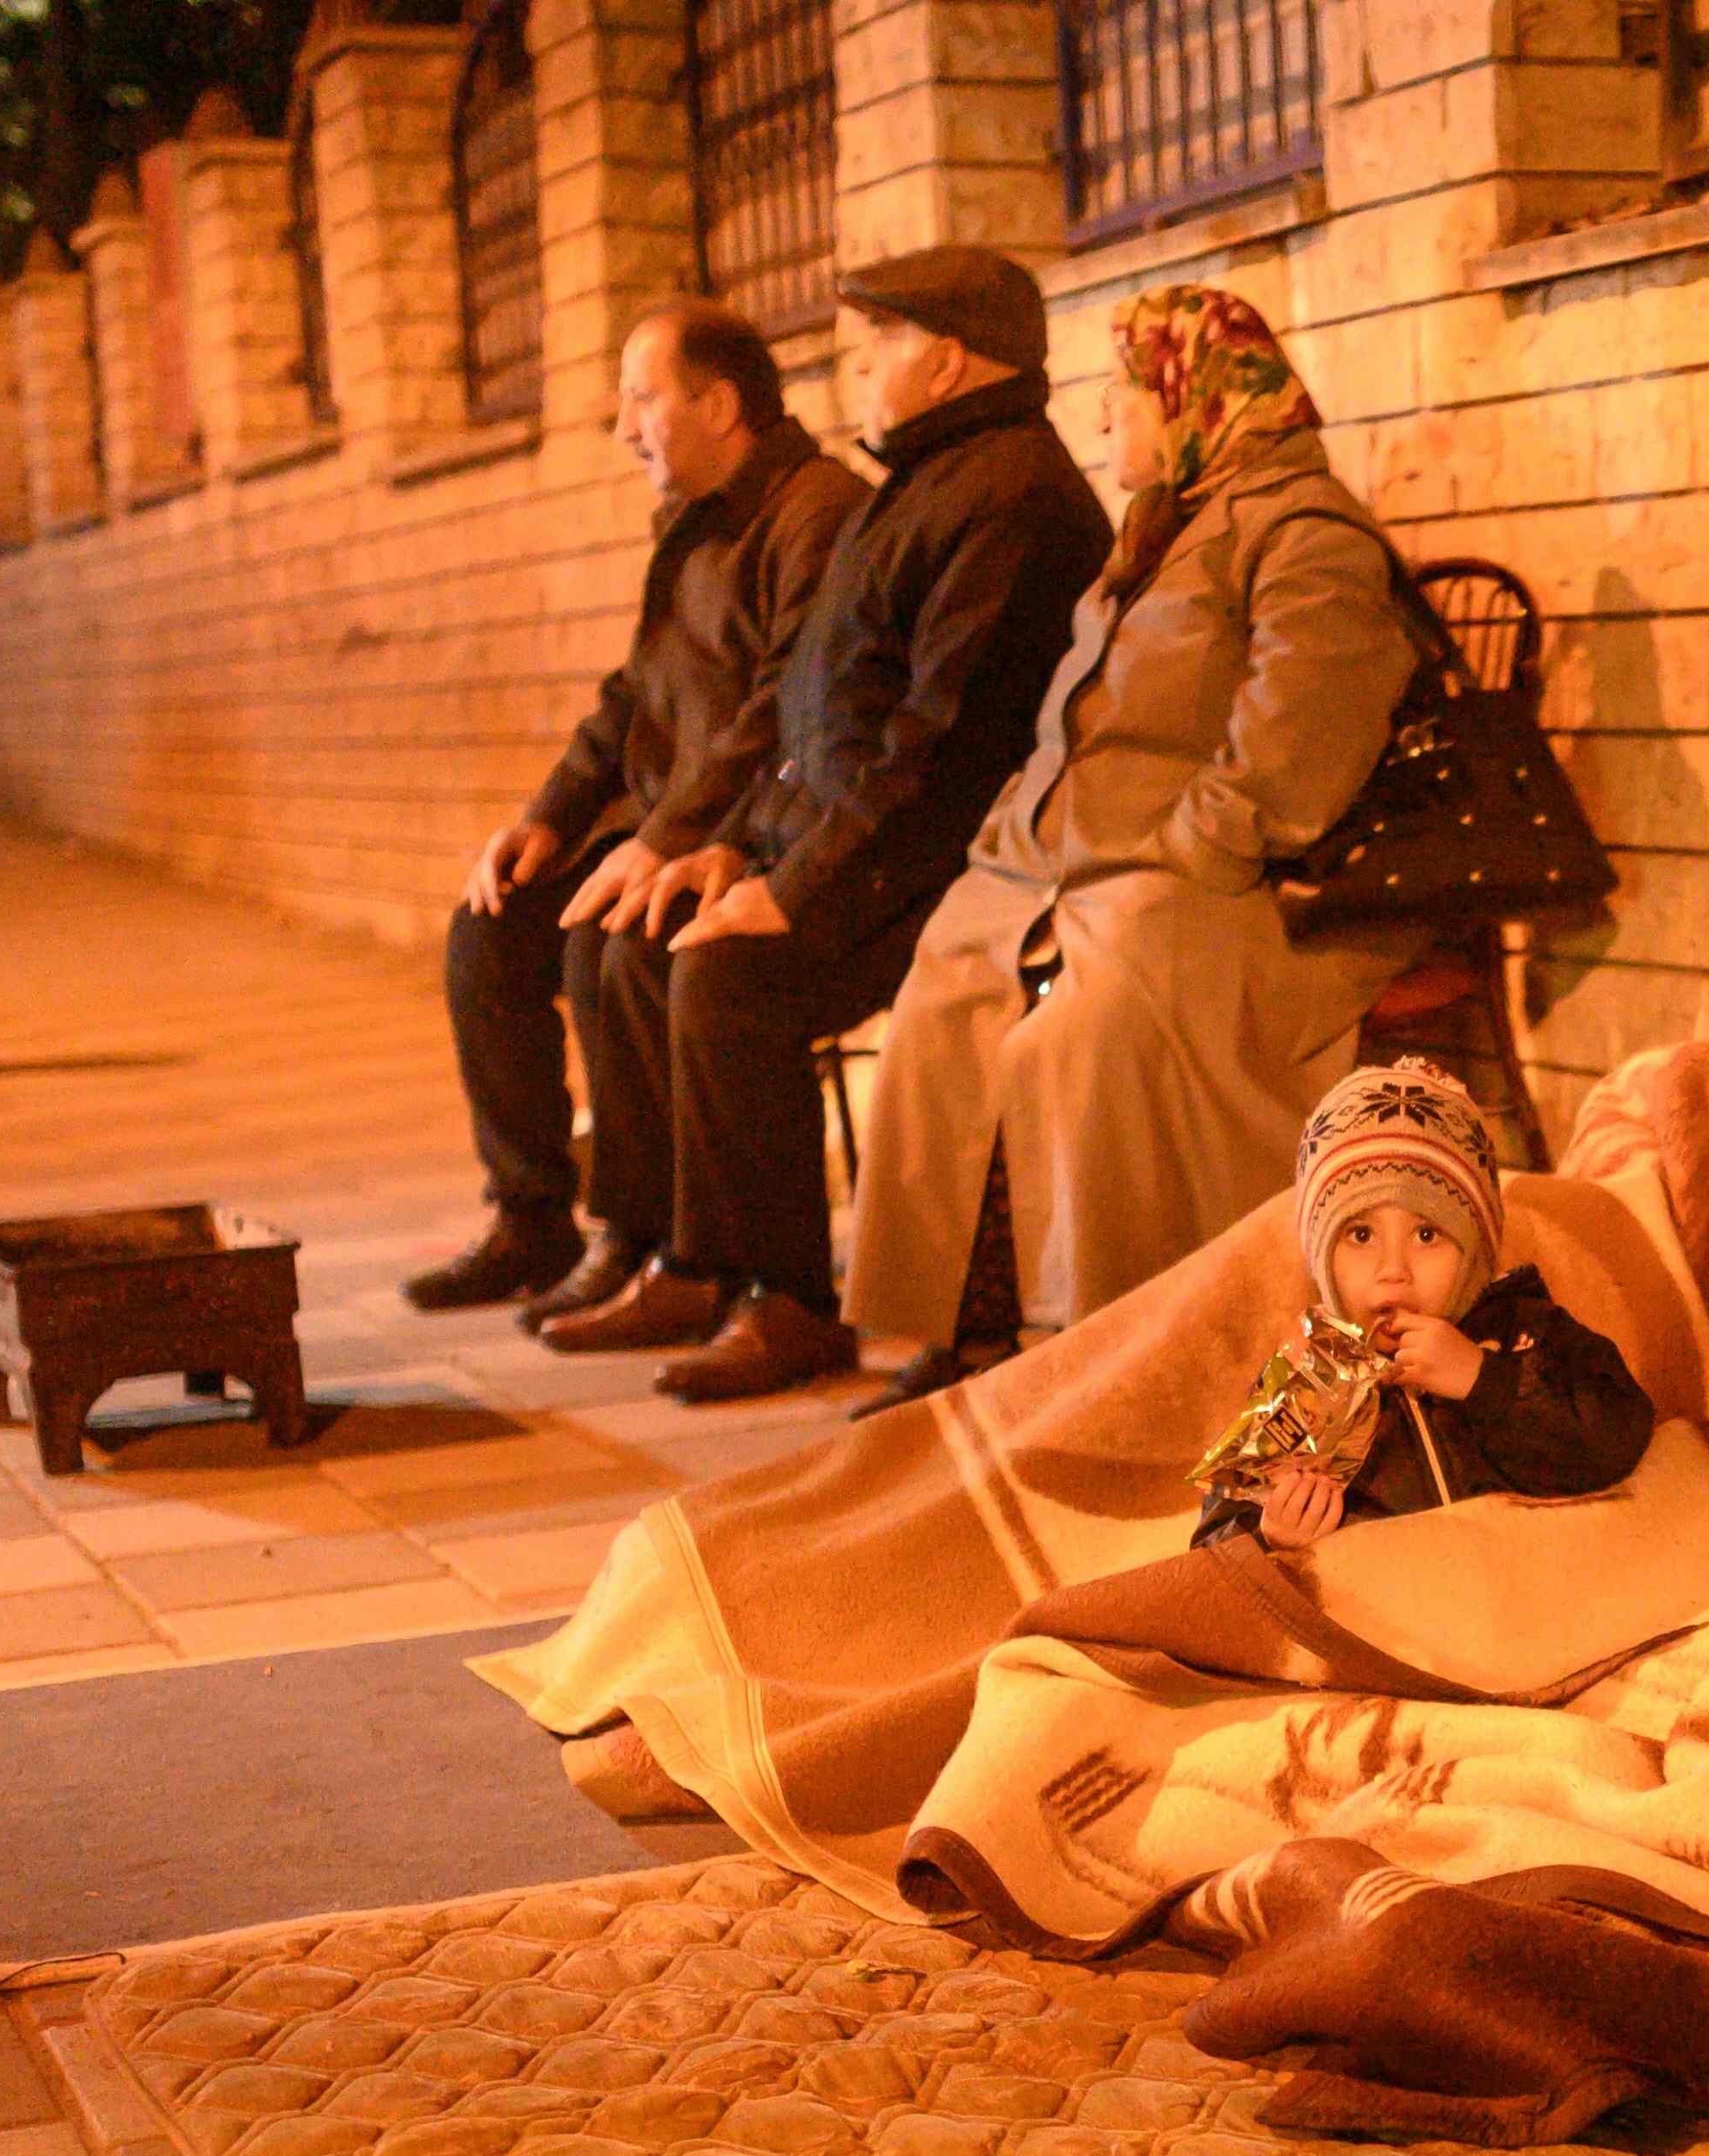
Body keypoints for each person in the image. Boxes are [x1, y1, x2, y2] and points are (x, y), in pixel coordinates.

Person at [839, 288, 1427, 1413]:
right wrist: (1023, 830)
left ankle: (1107, 1346)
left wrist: (1188, 842)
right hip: (1082, 866)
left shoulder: (1306, 531)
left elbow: (1303, 736)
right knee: (942, 999)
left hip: (1229, 877)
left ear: (1192, 395)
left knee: (1080, 1033)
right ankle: (970, 1330)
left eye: (1124, 386)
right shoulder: (1167, 524)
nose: (1104, 409)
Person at [547, 246, 1105, 1401]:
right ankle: (695, 1263)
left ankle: (788, 1302)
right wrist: (737, 848)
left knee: (729, 978)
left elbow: (938, 752)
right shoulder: (929, 477)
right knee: (646, 938)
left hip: (944, 869)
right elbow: (818, 713)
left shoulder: (1009, 496)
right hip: (856, 846)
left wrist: (793, 888)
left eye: (879, 345)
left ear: (947, 361)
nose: (858, 371)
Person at [404, 303, 860, 1318]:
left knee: (609, 941)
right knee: (489, 929)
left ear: (719, 405)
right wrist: (549, 819)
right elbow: (633, 696)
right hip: (658, 825)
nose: (622, 429)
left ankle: (643, 1237)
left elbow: (780, 710)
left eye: (641, 399)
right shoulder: (691, 521)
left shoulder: (815, 514)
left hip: (744, 833)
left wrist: (664, 840)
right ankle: (532, 1217)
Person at [1188, 1061, 1655, 1548]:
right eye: (1361, 1235)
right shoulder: (1302, 1383)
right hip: (1390, 1594)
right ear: (1322, 1258)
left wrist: (1484, 1381)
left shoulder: (1525, 1331)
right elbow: (1213, 1546)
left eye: (1427, 1235)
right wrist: (1273, 1538)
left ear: (1474, 1250)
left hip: (1533, 1581)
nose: (1393, 1268)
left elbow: (1620, 1435)